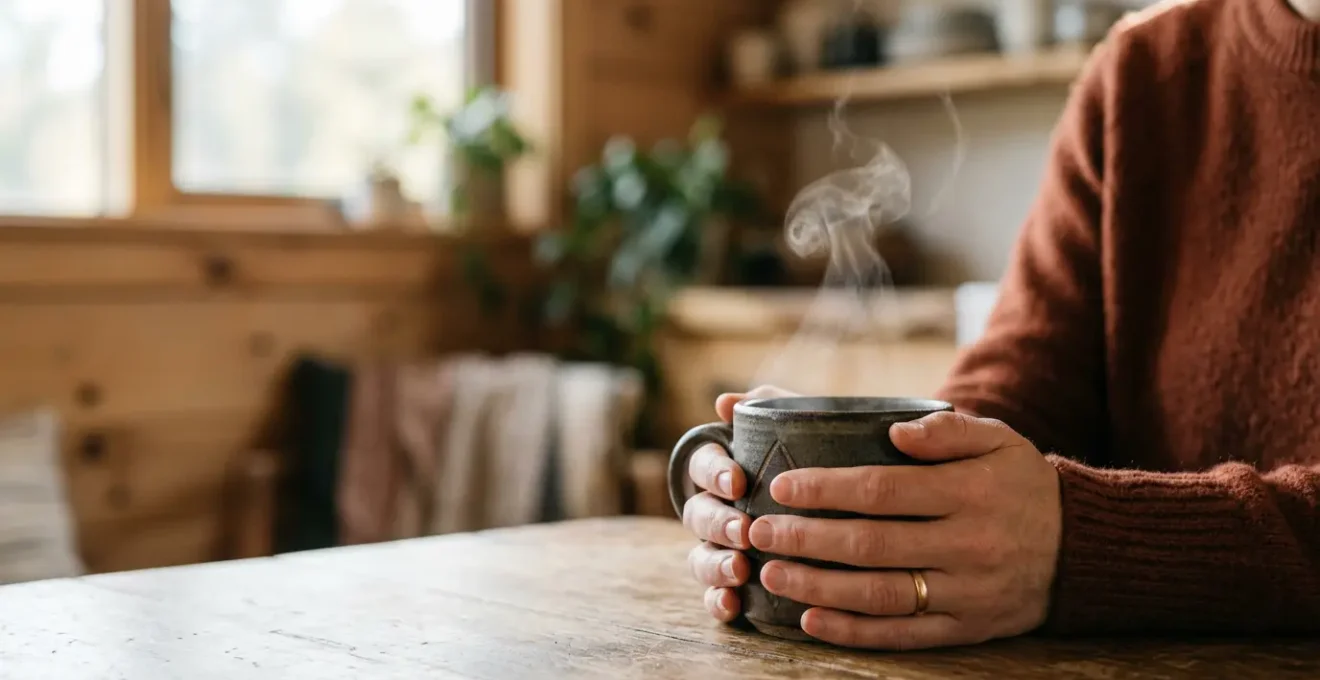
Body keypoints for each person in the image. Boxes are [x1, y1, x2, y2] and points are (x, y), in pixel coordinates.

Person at [680, 0, 1320, 650]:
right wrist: (901, 480)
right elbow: (1029, 372)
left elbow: (1066, 533)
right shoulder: (1142, 74)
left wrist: (1086, 541)